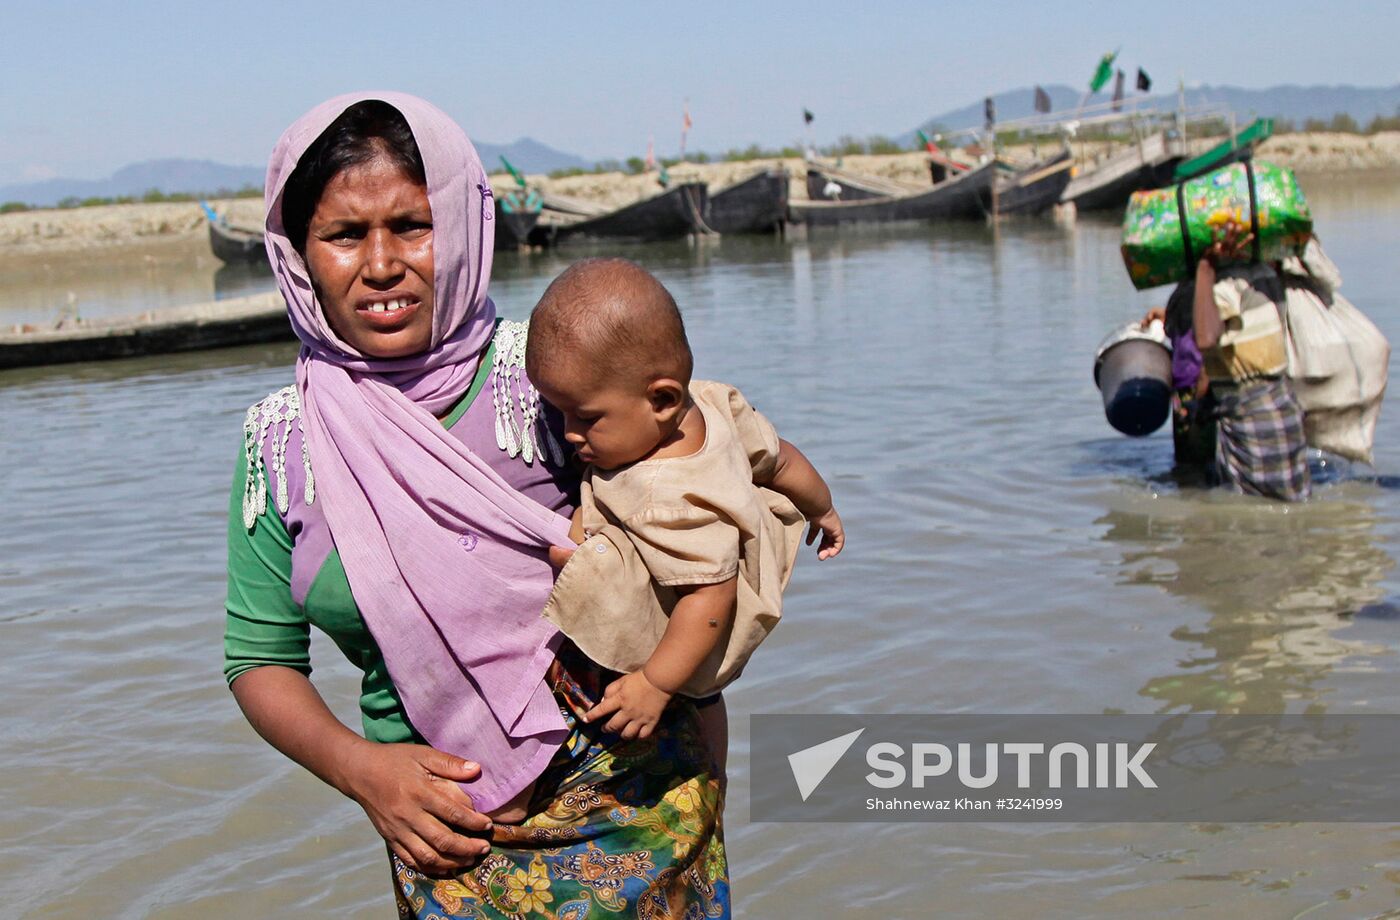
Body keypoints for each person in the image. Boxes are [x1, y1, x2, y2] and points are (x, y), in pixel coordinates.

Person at [224, 92, 729, 918]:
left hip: (638, 810)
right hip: (443, 840)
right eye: (345, 236)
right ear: (300, 254)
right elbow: (258, 659)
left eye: (412, 226)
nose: (380, 264)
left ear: (460, 225)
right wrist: (363, 773)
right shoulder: (281, 443)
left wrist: (710, 788)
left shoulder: (556, 374)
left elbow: (707, 531)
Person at [522, 258, 844, 784]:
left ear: (662, 399)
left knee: (696, 691)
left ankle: (706, 769)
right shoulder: (710, 403)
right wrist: (822, 507)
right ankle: (712, 768)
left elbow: (710, 598)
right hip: (703, 603)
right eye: (557, 413)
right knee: (709, 695)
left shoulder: (670, 497)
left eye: (585, 417)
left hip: (695, 623)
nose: (568, 432)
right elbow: (779, 458)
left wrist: (653, 682)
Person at [1142, 220, 1310, 501]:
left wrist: (1206, 269)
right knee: (1290, 507)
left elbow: (1207, 339)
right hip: (1284, 410)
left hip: (1252, 421)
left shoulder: (1224, 286)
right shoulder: (1265, 275)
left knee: (1253, 519)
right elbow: (1236, 344)